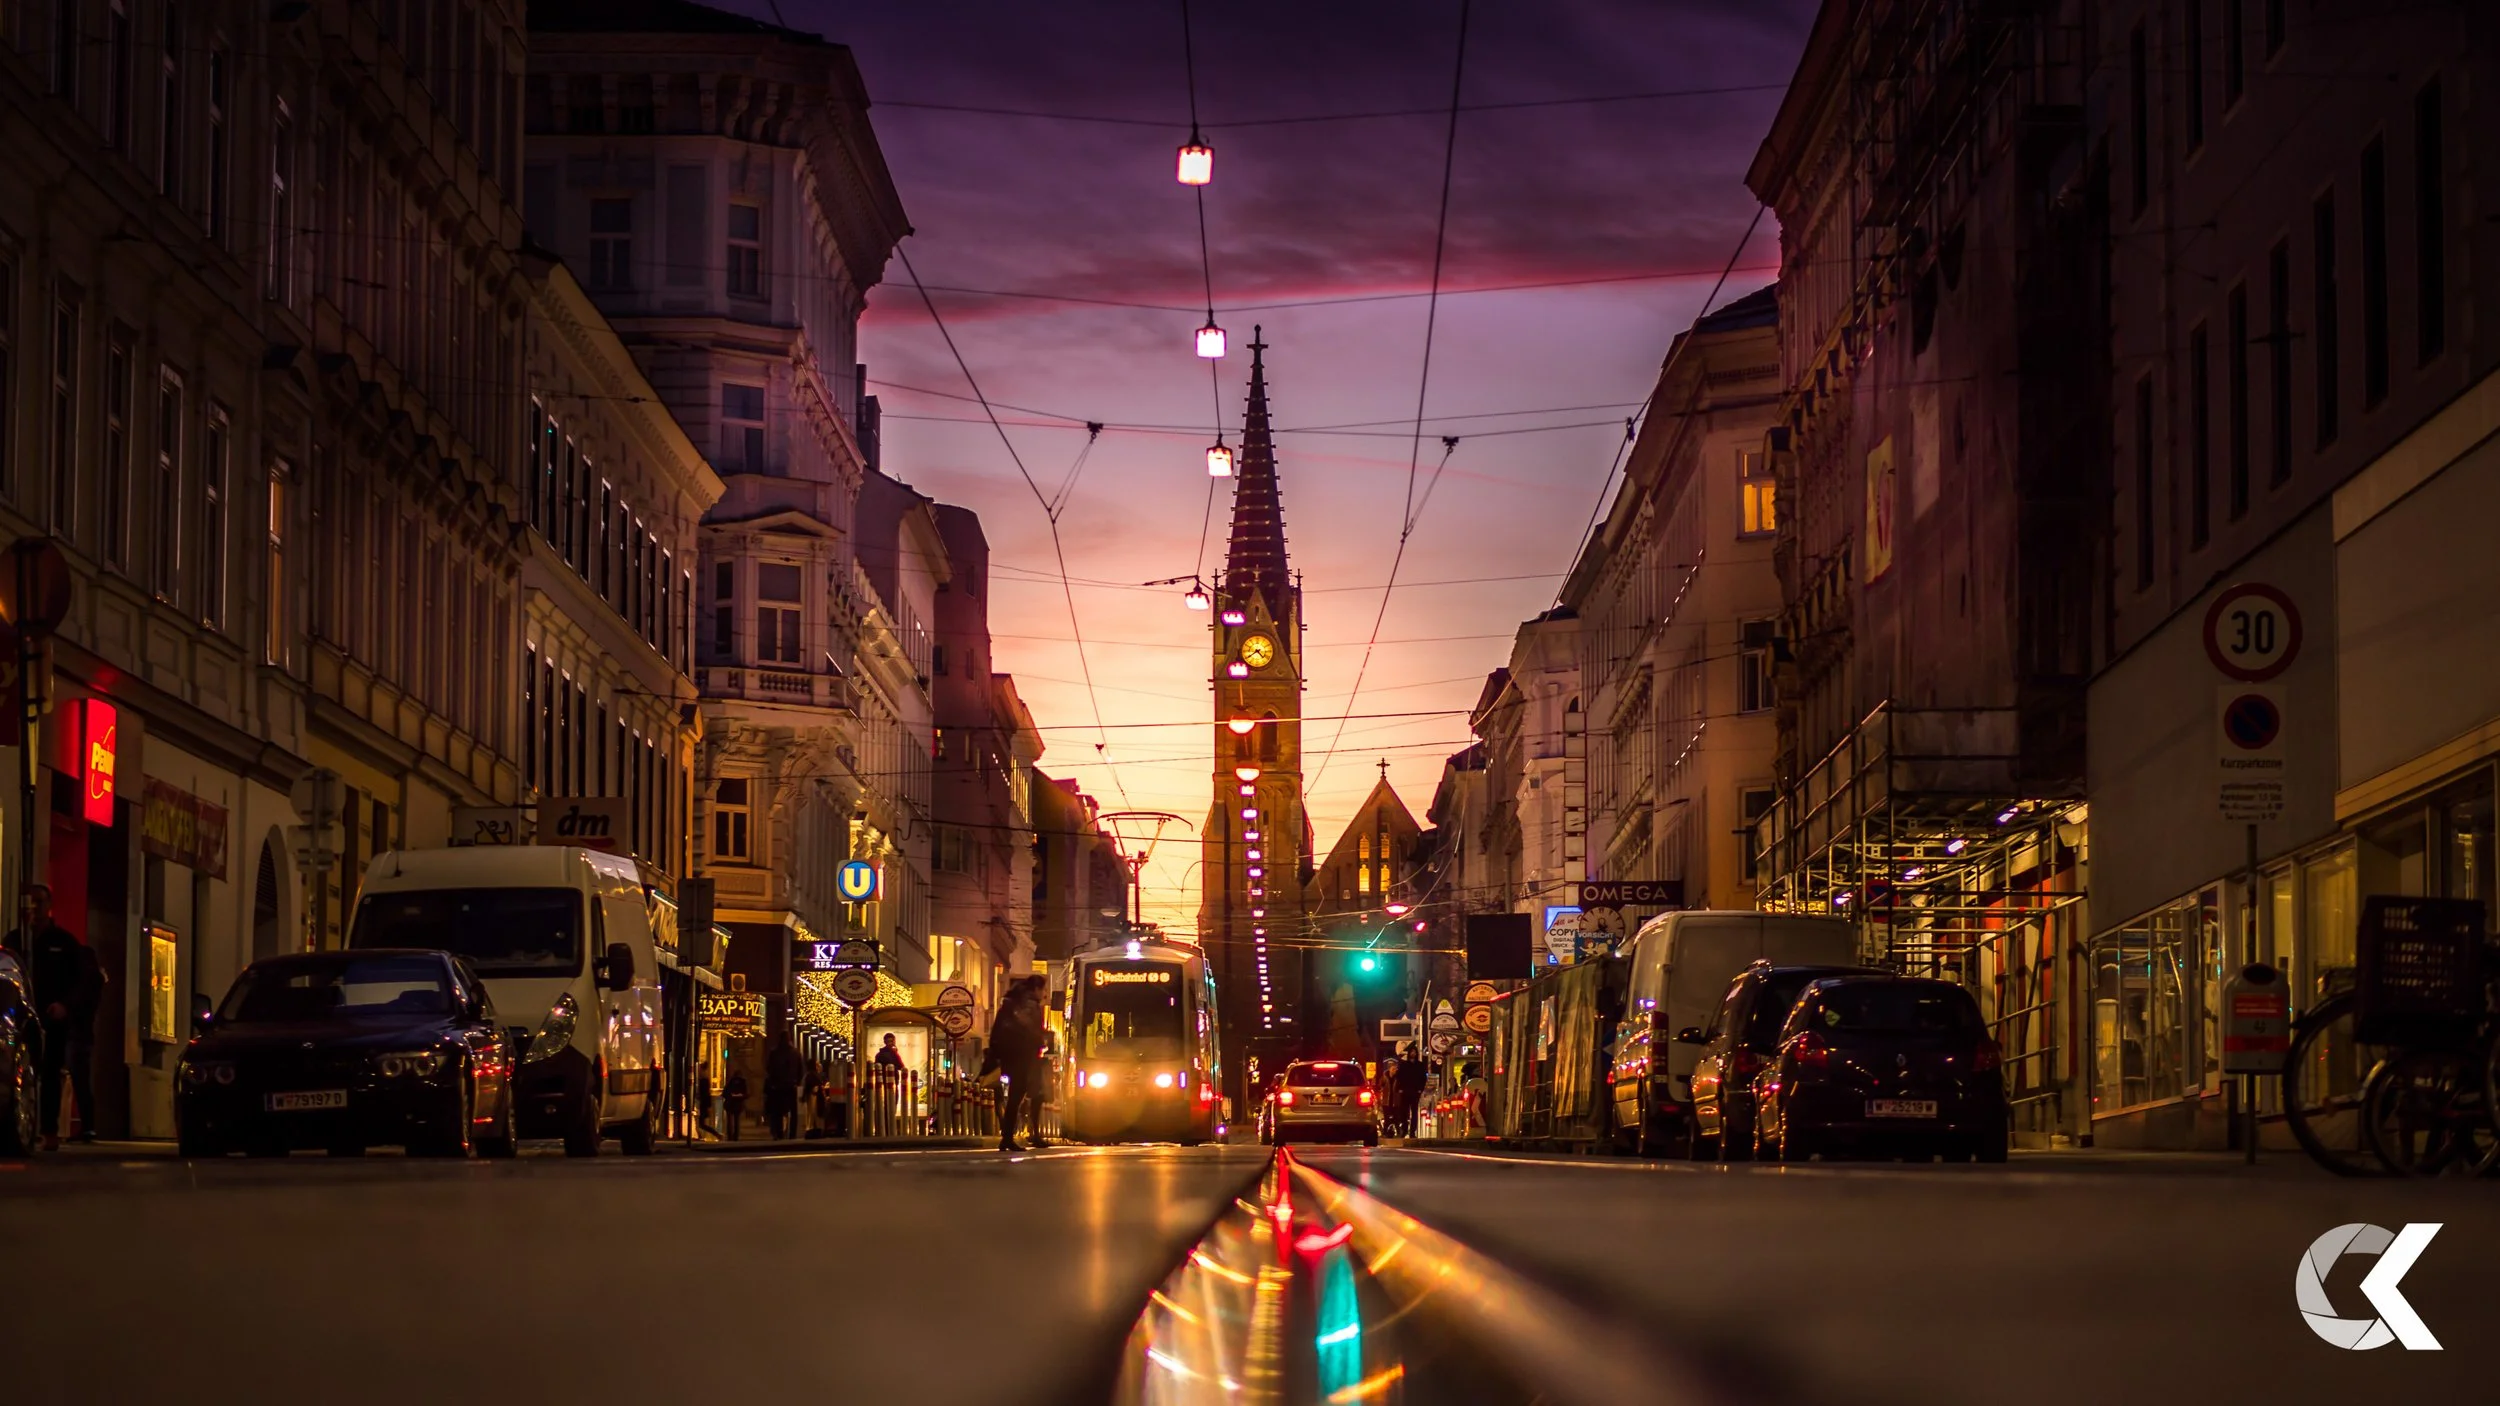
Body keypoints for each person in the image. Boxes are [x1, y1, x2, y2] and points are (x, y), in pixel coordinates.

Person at [2, 885, 103, 1150]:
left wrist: (65, 1006)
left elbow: (81, 980)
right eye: (29, 902)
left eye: (39, 902)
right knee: (22, 1072)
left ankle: (48, 1131)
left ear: (49, 906)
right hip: (21, 1018)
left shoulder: (64, 942)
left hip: (52, 1018)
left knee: (49, 1072)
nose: (34, 908)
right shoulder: (14, 941)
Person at [980, 977, 1049, 1153]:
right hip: (1022, 1055)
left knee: (1014, 1097)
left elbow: (998, 1028)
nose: (1043, 994)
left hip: (1008, 1055)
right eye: (1042, 990)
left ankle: (1007, 1137)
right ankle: (1008, 1138)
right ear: (1035, 988)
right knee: (1017, 1096)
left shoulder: (1011, 1002)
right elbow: (1030, 1028)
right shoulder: (1029, 1004)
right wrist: (1041, 1040)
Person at [763, 1037, 802, 1141]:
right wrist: (797, 1082)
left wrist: (773, 1082)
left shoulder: (774, 1053)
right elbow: (801, 1069)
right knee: (793, 1111)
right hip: (791, 1086)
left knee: (778, 1111)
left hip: (778, 1087)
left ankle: (779, 1133)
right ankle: (792, 1134)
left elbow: (769, 1068)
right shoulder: (796, 1053)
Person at [722, 1067, 750, 1141]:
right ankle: (735, 1137)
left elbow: (724, 1093)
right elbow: (746, 1094)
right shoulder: (743, 1082)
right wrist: (740, 1096)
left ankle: (730, 1136)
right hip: (738, 1104)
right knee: (736, 1121)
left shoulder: (730, 1082)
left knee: (730, 1121)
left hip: (730, 1103)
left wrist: (731, 1095)